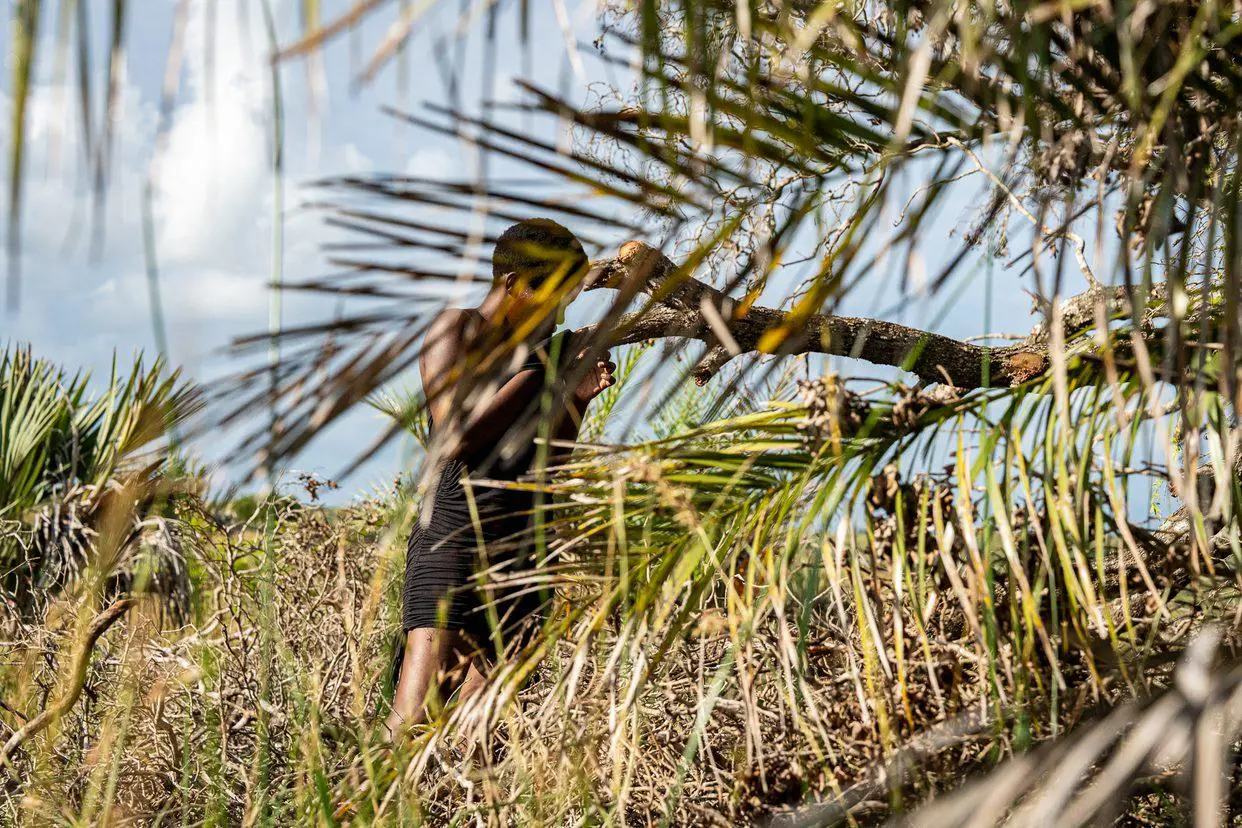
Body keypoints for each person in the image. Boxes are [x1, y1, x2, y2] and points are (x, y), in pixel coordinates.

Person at [384, 218, 615, 741]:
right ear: (513, 285)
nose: (558, 315)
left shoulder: (542, 357)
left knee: (483, 733)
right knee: (414, 716)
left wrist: (575, 399)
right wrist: (545, 371)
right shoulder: (457, 329)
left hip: (520, 544)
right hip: (453, 533)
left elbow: (546, 465)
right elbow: (456, 434)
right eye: (553, 299)